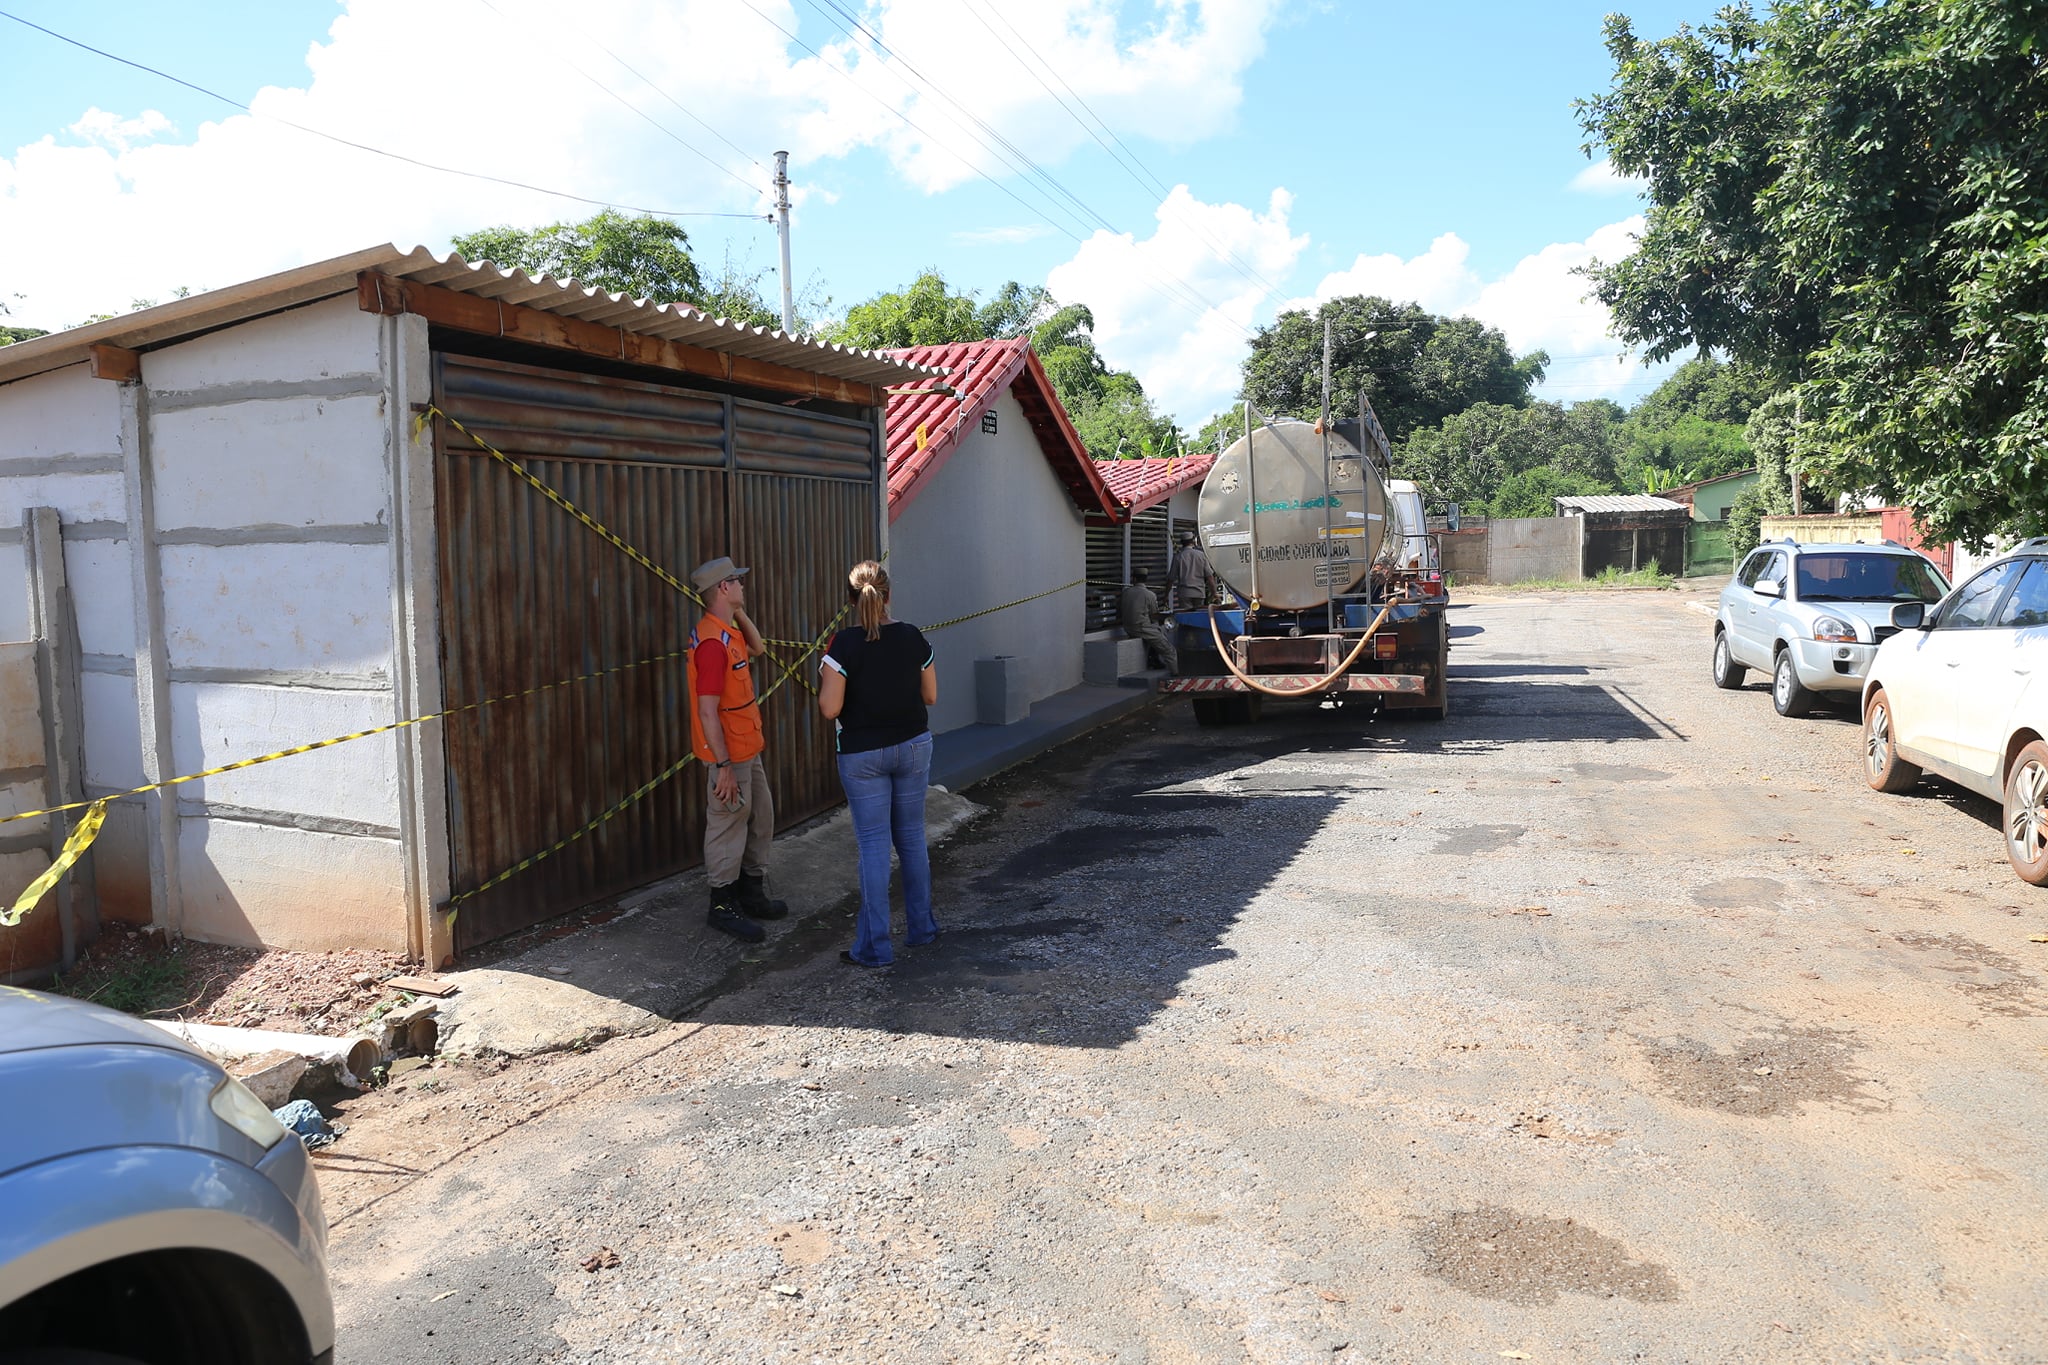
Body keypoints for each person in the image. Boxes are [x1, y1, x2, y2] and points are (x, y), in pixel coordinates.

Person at [818, 561, 940, 969]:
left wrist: (827, 671)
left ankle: (875, 948)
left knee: (873, 846)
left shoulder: (841, 646)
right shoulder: (912, 637)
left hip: (862, 754)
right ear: (888, 595)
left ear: (851, 600)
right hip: (912, 746)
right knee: (911, 837)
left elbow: (830, 708)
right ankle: (922, 930)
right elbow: (931, 696)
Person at [688, 556, 788, 944]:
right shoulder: (712, 645)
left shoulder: (726, 632)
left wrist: (739, 614)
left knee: (761, 816)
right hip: (729, 754)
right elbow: (706, 711)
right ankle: (723, 905)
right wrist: (723, 766)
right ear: (723, 589)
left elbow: (759, 648)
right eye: (736, 582)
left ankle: (751, 891)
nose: (743, 586)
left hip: (747, 747)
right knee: (727, 825)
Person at [1119, 567, 1177, 673]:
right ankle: (1177, 674)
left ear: (1134, 579)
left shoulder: (1125, 593)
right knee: (1169, 650)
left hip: (1128, 628)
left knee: (1159, 630)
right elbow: (1154, 615)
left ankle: (1154, 659)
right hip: (1141, 628)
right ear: (1146, 579)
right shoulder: (1149, 595)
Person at [1169, 530, 1218, 612]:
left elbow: (1171, 578)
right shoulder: (1201, 555)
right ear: (1193, 541)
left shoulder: (1178, 557)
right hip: (1199, 593)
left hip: (1184, 594)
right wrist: (1214, 593)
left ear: (1182, 542)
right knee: (1199, 617)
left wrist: (1166, 595)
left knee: (1187, 618)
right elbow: (1210, 576)